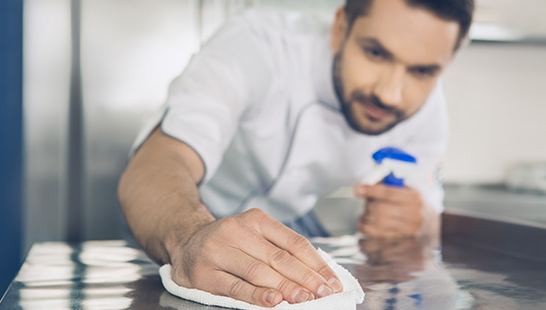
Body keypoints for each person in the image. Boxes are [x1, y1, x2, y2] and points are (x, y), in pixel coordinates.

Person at [118, 0, 474, 307]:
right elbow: (155, 165)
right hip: (181, 213)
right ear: (339, 29)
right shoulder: (258, 45)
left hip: (289, 223)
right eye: (376, 53)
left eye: (423, 71)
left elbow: (427, 217)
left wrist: (416, 221)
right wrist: (188, 239)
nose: (391, 94)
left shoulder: (427, 110)